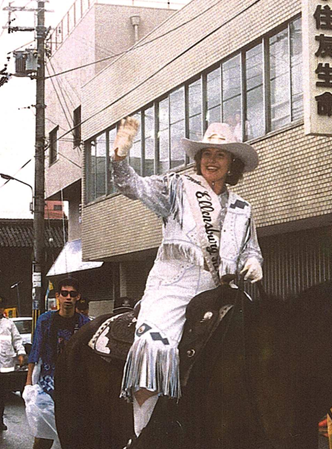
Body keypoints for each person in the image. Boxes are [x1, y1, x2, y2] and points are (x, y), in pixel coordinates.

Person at [111, 118, 263, 444]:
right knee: (153, 349)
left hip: (221, 291)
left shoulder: (242, 208)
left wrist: (252, 263)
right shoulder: (177, 188)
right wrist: (121, 158)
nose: (211, 160)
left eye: (220, 155)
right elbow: (132, 187)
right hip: (173, 285)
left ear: (232, 162)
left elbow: (252, 251)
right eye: (206, 153)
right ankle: (143, 437)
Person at [25, 277, 90, 449]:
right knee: (43, 436)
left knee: (74, 436)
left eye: (72, 294)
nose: (68, 297)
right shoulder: (45, 321)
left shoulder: (85, 324)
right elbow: (35, 351)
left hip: (74, 386)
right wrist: (28, 383)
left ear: (78, 297)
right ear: (58, 296)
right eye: (64, 293)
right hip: (48, 385)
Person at [0, 295, 26, 431]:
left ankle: (0, 420)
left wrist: (21, 353)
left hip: (6, 366)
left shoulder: (9, 324)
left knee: (2, 394)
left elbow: (17, 340)